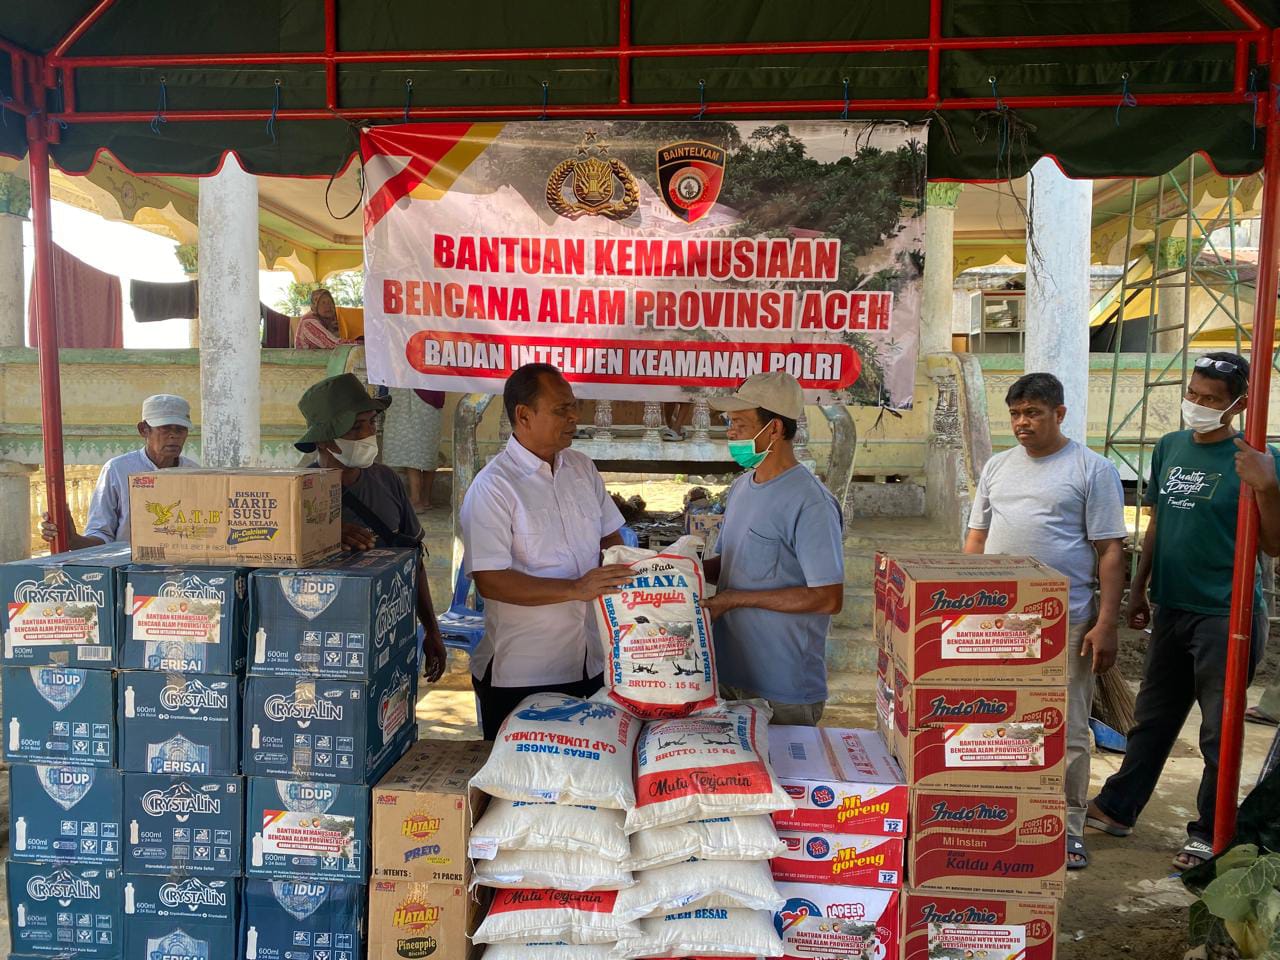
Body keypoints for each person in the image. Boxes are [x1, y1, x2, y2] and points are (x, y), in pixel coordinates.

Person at [1088, 351, 1280, 871]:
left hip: (1227, 614)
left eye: (1210, 399)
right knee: (1153, 717)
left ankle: (1209, 832)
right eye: (1193, 393)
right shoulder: (1170, 447)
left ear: (1238, 405)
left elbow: (1273, 544)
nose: (1196, 404)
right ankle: (1118, 807)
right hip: (1172, 605)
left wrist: (1266, 485)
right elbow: (1158, 522)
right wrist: (1139, 588)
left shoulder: (1259, 458)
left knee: (1219, 730)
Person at [964, 372, 1127, 870]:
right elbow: (976, 539)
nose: (1022, 423)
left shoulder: (1092, 469)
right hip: (998, 622)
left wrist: (1106, 623)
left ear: (1059, 414)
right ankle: (1008, 815)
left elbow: (1110, 551)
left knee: (1068, 726)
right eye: (1015, 413)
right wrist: (965, 608)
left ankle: (1069, 828)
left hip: (1066, 620)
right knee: (1001, 721)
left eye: (1033, 413)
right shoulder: (997, 466)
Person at [460, 363, 629, 739]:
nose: (573, 417)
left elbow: (611, 538)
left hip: (592, 662)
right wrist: (576, 588)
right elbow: (491, 581)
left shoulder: (582, 469)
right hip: (524, 673)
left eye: (574, 406)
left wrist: (622, 573)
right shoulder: (493, 487)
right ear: (523, 415)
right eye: (561, 409)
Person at [701, 371, 845, 725]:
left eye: (740, 423)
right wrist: (671, 571)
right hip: (728, 677)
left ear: (775, 429)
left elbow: (828, 598)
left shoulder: (810, 501)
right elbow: (728, 564)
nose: (730, 432)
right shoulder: (741, 487)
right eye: (729, 423)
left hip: (783, 691)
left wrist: (734, 600)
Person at [295, 373, 447, 682]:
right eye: (356, 428)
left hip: (391, 629)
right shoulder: (298, 492)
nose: (368, 434)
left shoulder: (387, 480)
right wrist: (322, 533)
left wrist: (431, 630)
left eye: (371, 423)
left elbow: (413, 558)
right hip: (325, 644)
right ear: (324, 439)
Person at [40, 394, 197, 548]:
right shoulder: (117, 470)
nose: (174, 436)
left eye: (180, 430)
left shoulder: (196, 475)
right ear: (143, 430)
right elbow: (102, 534)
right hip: (127, 564)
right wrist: (72, 539)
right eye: (165, 429)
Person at [381, 387, 444, 511]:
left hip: (409, 391)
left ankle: (415, 499)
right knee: (427, 448)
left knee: (411, 445)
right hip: (432, 393)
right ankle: (425, 499)